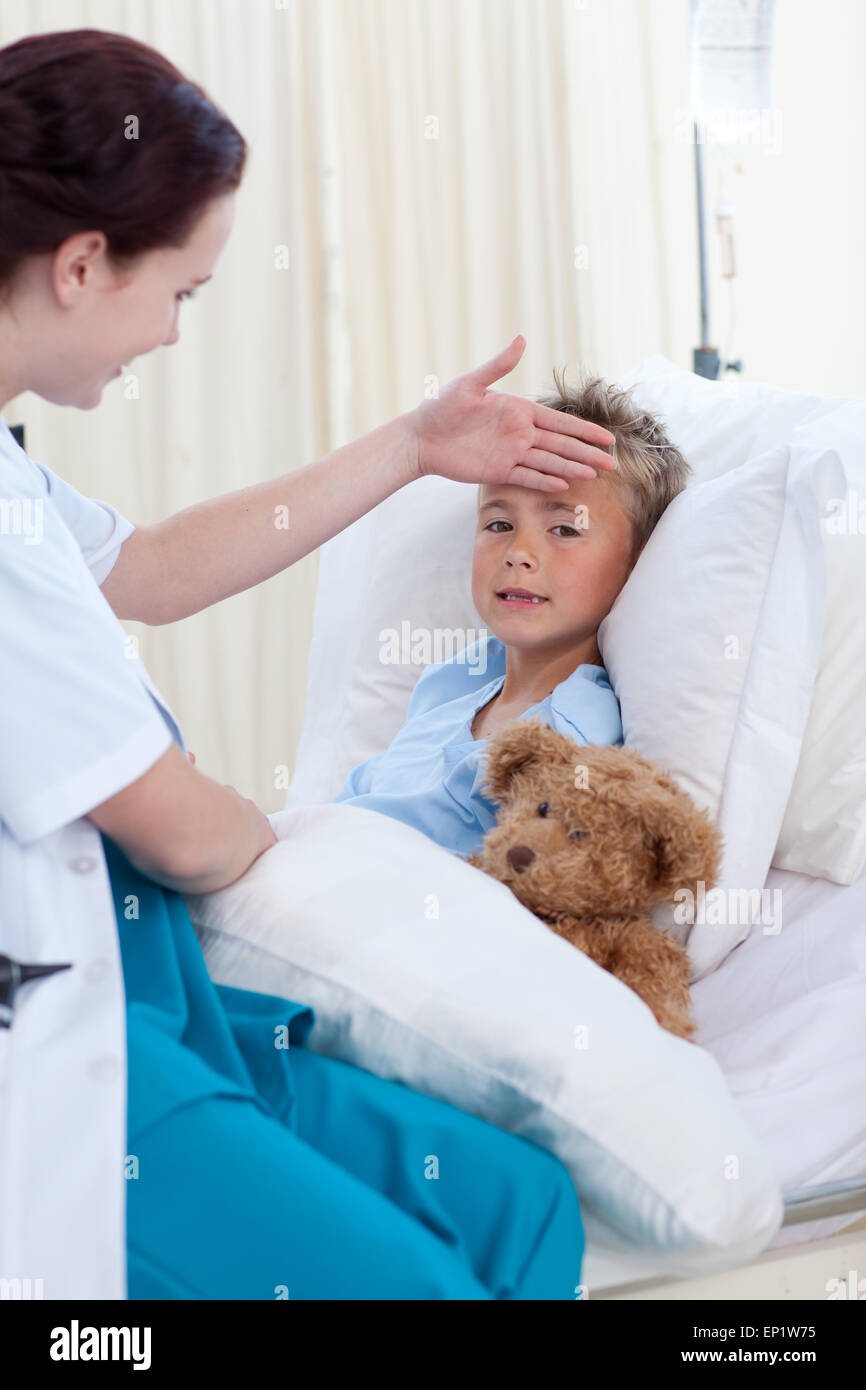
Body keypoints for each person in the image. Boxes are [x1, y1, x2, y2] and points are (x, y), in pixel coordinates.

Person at [0, 29, 620, 1300]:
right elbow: (185, 836)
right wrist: (343, 859)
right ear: (79, 265)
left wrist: (413, 445)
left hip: (156, 1000)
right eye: (180, 292)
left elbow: (154, 569)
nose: (174, 335)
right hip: (65, 1055)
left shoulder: (13, 476)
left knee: (520, 1207)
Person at [332, 371, 691, 858]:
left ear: (637, 563)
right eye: (499, 524)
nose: (519, 552)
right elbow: (363, 796)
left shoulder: (580, 728)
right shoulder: (451, 682)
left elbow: (534, 880)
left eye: (564, 529)